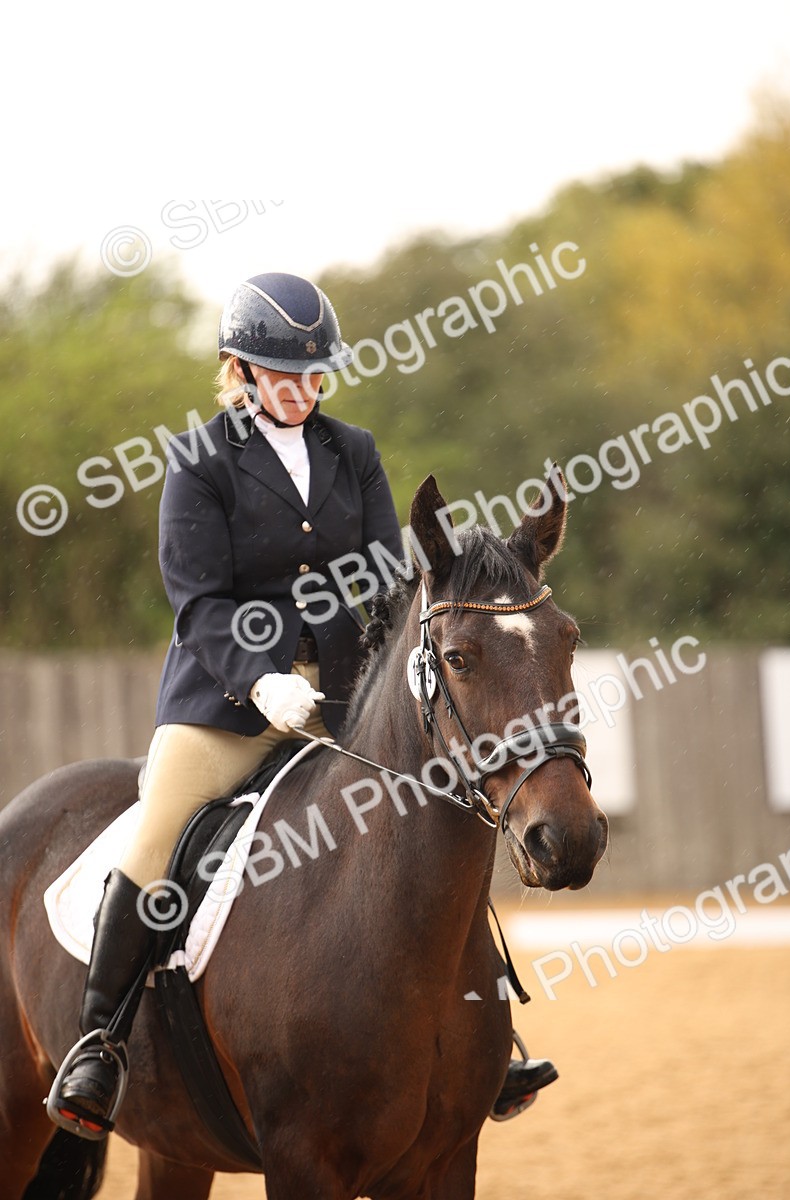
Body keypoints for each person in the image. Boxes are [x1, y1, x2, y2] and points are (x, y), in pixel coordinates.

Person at [50, 271, 555, 1139]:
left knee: (434, 816)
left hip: (348, 702)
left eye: (315, 374)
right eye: (285, 376)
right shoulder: (199, 463)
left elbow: (387, 582)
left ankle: (482, 1026)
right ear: (239, 371)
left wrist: (385, 674)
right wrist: (263, 677)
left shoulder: (351, 451)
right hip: (225, 705)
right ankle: (100, 1040)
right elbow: (199, 602)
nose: (304, 390)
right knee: (160, 827)